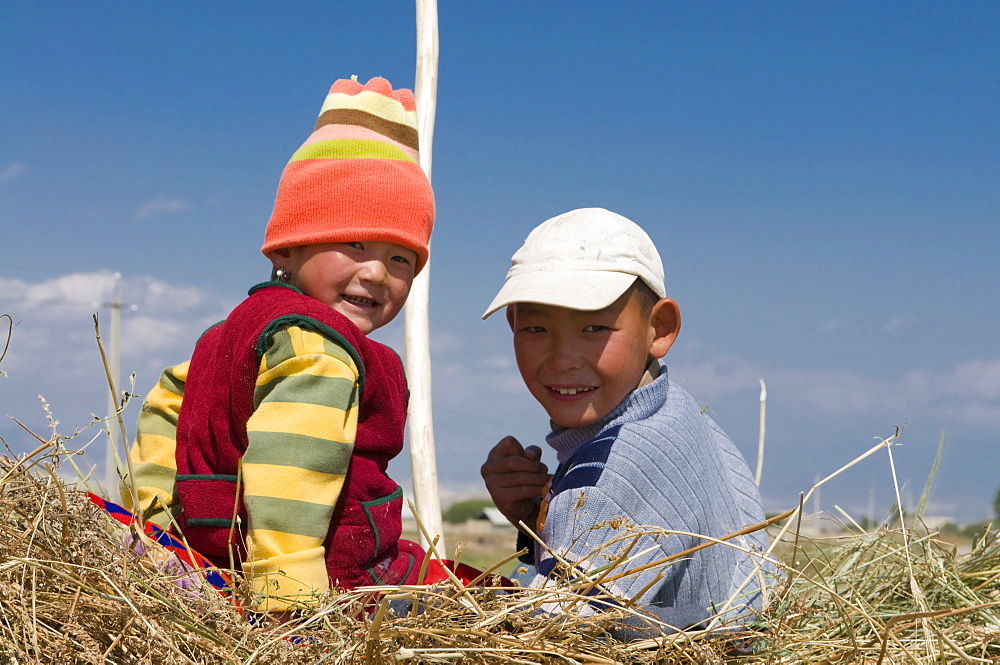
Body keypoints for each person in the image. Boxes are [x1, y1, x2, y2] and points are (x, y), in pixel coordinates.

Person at [120, 76, 436, 617]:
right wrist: (291, 599)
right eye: (355, 242)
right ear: (288, 247)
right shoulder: (323, 354)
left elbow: (167, 409)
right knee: (463, 594)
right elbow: (294, 469)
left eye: (402, 258)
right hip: (331, 576)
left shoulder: (229, 333)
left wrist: (152, 528)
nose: (378, 271)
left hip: (215, 553)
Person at [480, 208, 772, 636]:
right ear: (513, 325)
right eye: (537, 329)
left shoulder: (612, 471)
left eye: (595, 327)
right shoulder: (676, 410)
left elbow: (551, 635)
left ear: (660, 328)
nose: (563, 359)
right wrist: (535, 518)